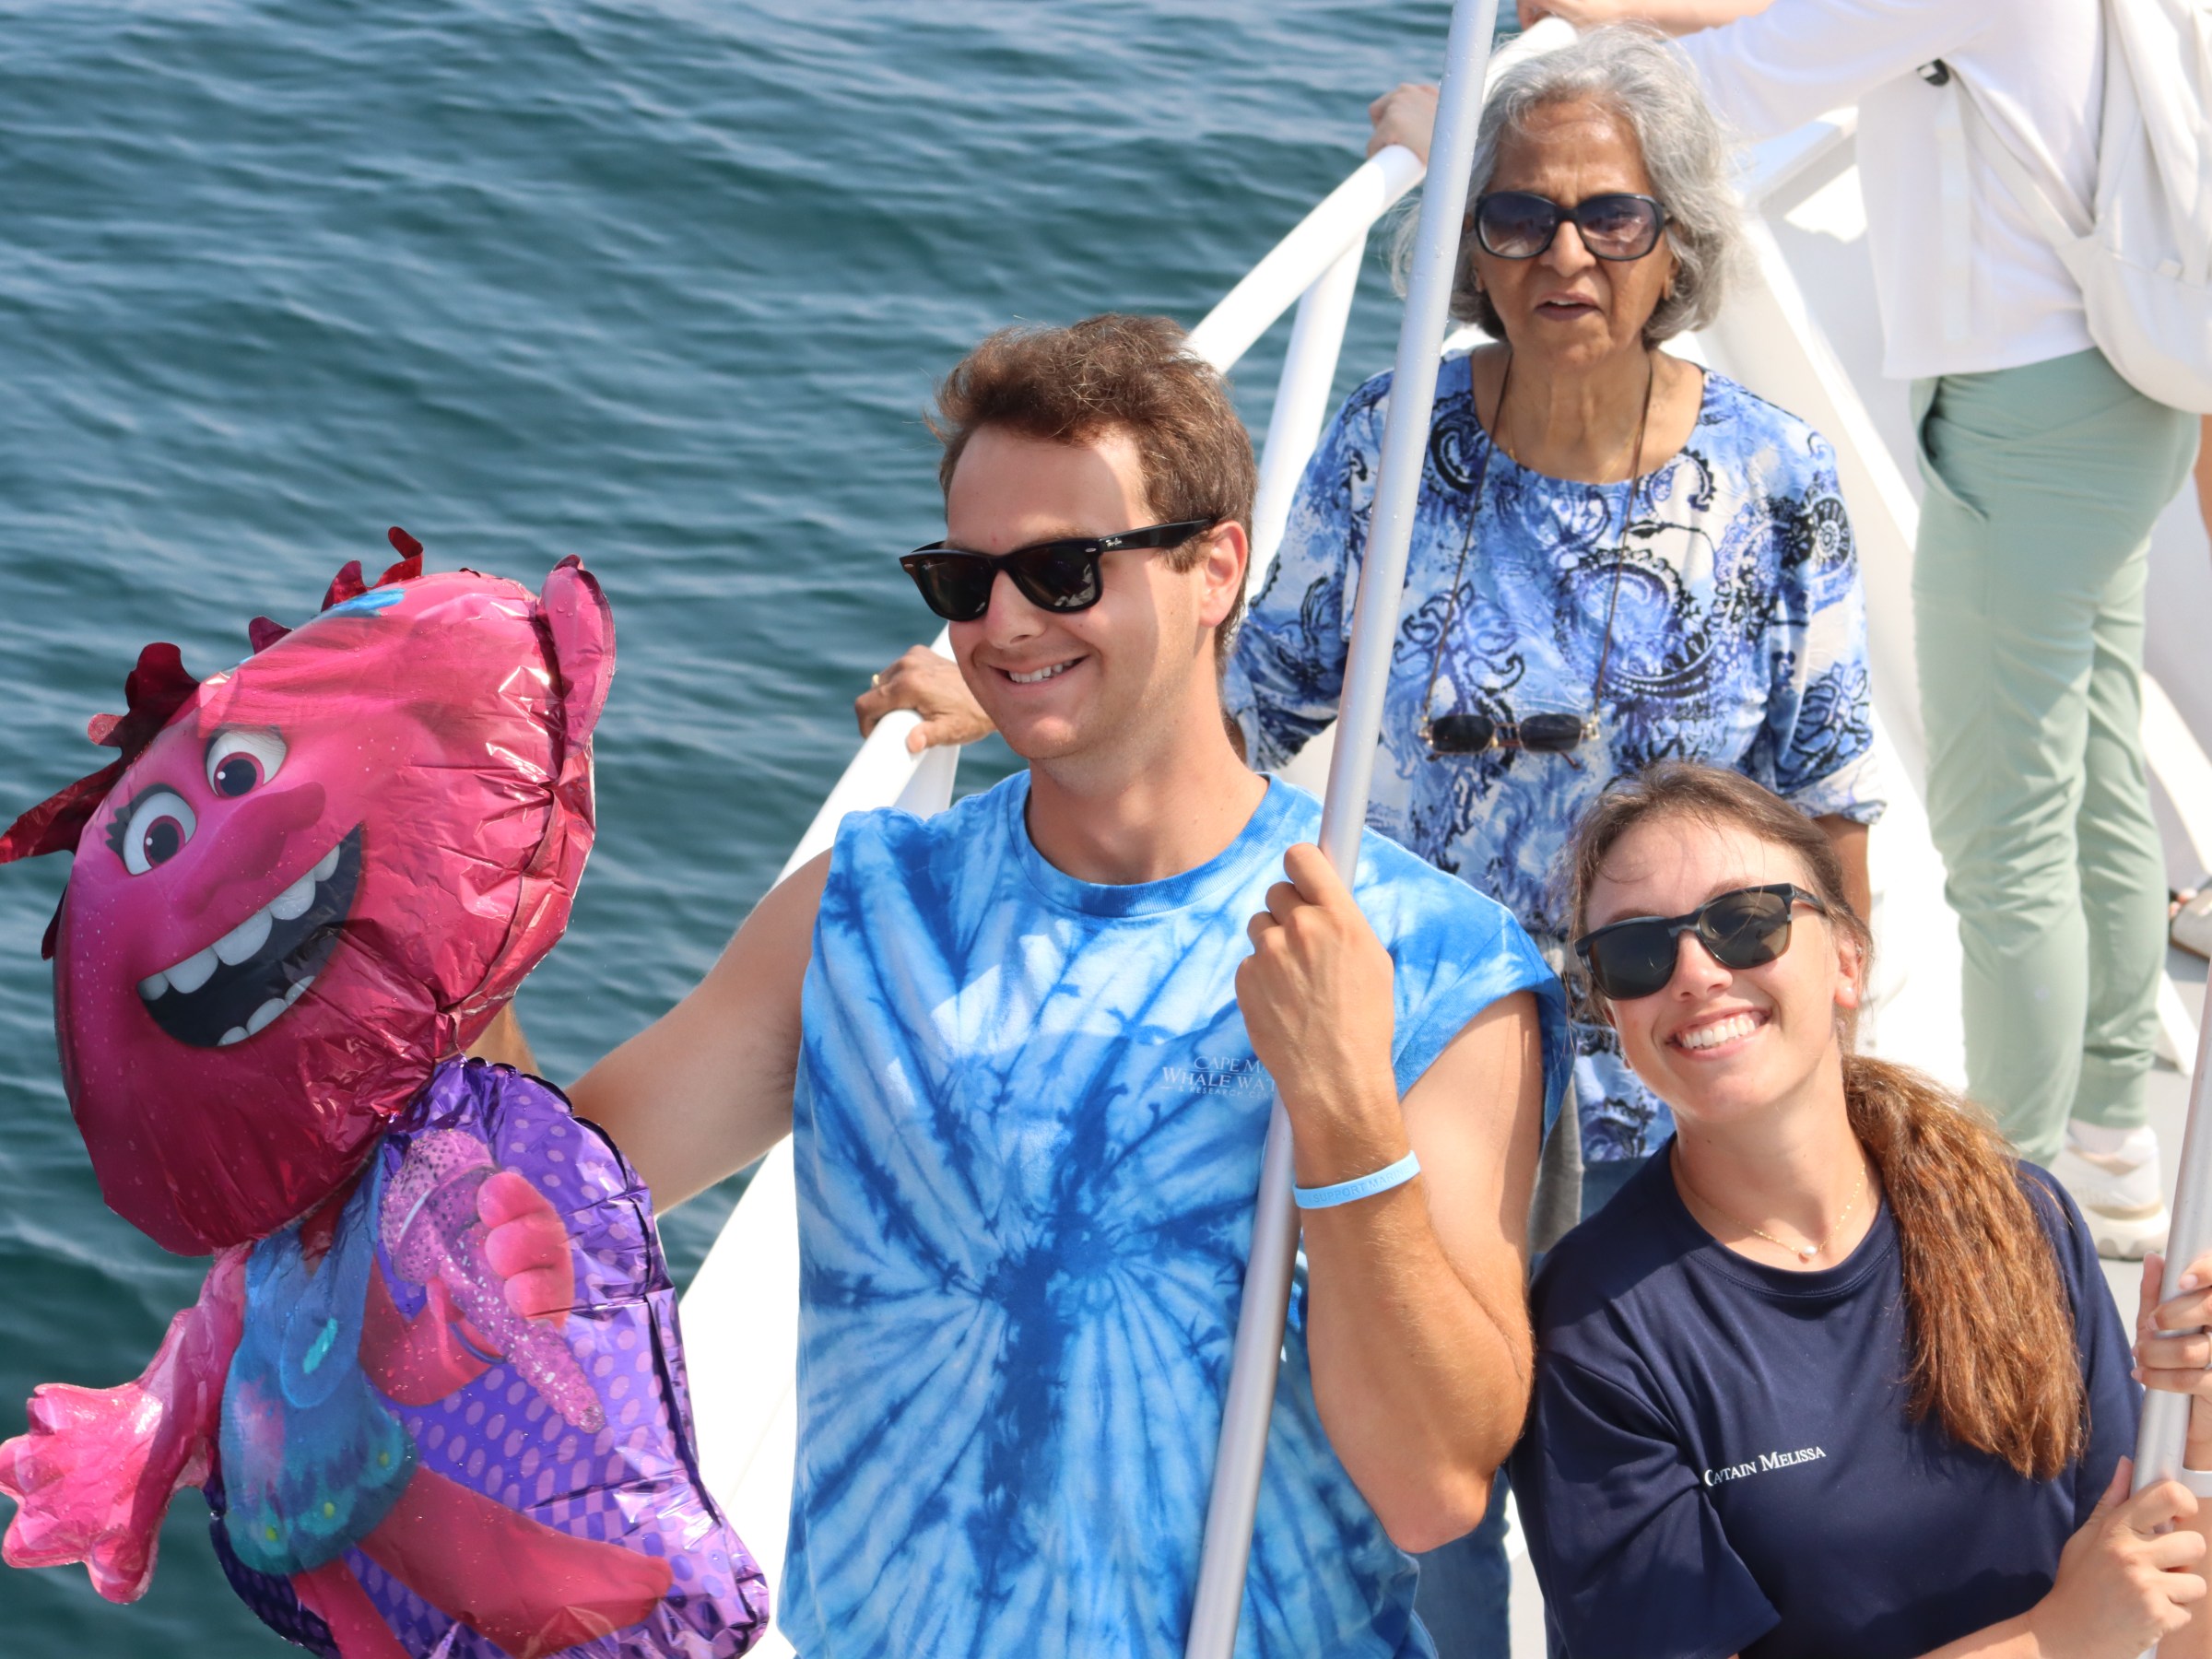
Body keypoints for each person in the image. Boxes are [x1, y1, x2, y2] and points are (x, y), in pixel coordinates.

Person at [862, 35, 1882, 1652]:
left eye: (1609, 217)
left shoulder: (1773, 476)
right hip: (1423, 1054)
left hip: (1673, 1064)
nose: (1562, 255)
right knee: (1426, 1502)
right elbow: (1251, 693)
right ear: (1470, 246)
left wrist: (1839, 1086)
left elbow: (1823, 796)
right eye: (1518, 216)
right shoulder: (1398, 439)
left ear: (1673, 239)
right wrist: (1013, 695)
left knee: (1656, 1493)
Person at [565, 314, 1568, 1655]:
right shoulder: (863, 913)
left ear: (1216, 569)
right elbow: (545, 1203)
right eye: (963, 579)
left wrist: (1344, 1112)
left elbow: (1434, 1483)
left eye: (1061, 570)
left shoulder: (1425, 960)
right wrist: (428, 932)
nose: (1004, 624)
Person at [1489, 0, 2199, 1272]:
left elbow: (1744, 82)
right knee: (2090, 765)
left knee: (2010, 834)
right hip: (2103, 389)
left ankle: (2006, 1210)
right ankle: (2110, 1138)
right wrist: (1635, 10)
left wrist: (1479, 144)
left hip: (2031, 410)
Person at [1511, 759, 2208, 1659]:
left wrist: (2201, 1435)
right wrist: (2055, 1638)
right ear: (1612, 1012)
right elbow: (2097, 1625)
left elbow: (2167, 1622)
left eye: (1744, 921)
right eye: (1638, 950)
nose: (1694, 971)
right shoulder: (1594, 1330)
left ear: (1847, 958)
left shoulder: (2017, 1217)